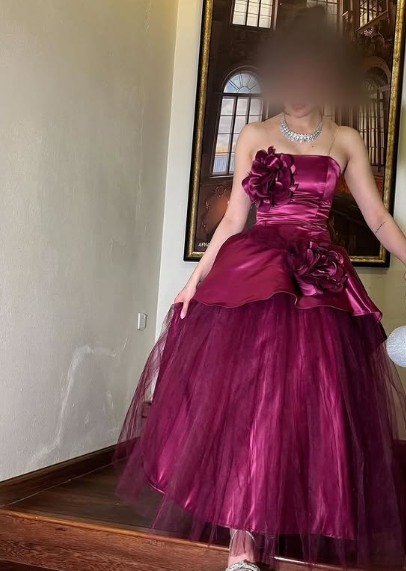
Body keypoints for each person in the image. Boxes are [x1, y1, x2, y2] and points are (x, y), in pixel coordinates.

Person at [116, 12, 406, 571]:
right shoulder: (254, 134)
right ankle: (242, 545)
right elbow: (233, 221)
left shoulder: (345, 139)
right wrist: (193, 282)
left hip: (317, 285)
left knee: (309, 409)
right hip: (256, 277)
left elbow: (378, 220)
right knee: (247, 405)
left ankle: (290, 512)